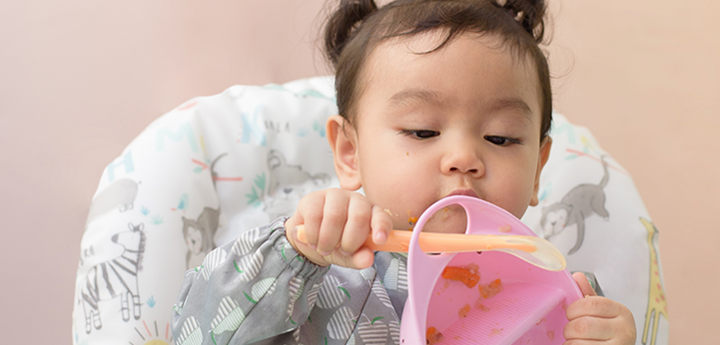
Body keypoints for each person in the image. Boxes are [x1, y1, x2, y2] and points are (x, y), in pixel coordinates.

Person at [171, 0, 637, 343]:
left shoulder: (554, 297)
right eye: (420, 131)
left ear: (537, 169)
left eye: (500, 138)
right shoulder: (315, 271)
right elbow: (193, 333)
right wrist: (294, 250)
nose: (464, 158)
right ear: (350, 153)